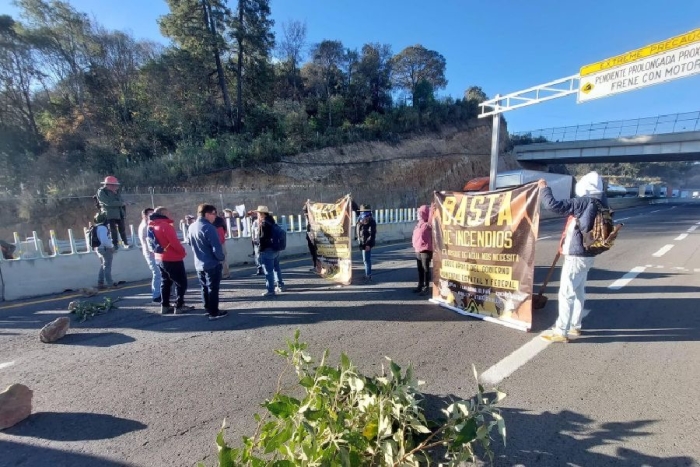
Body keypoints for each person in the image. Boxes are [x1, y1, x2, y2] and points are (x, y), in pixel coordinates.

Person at [538, 171, 607, 343]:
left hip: (577, 255)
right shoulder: (601, 203)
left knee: (566, 293)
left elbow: (553, 205)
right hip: (589, 253)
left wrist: (544, 189)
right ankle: (575, 325)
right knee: (578, 291)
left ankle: (561, 331)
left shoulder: (584, 202)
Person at [148, 206, 194, 315]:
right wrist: (182, 252)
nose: (170, 215)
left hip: (159, 257)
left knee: (165, 282)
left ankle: (165, 305)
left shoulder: (153, 225)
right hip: (171, 257)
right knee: (181, 282)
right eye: (168, 213)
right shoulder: (165, 226)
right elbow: (174, 242)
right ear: (163, 213)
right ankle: (179, 305)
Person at [188, 204, 228, 320]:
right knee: (213, 288)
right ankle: (214, 312)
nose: (215, 216)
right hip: (211, 263)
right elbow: (216, 248)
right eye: (214, 214)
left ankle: (207, 308)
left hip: (199, 262)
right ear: (207, 214)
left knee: (204, 287)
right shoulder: (209, 228)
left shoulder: (192, 226)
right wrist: (221, 258)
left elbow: (190, 243)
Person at [256, 205, 285, 297]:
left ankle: (270, 290)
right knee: (277, 268)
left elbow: (262, 239)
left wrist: (260, 250)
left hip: (267, 250)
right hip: (275, 248)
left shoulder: (263, 224)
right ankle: (280, 285)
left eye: (258, 213)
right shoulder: (272, 222)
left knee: (268, 271)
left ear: (261, 214)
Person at [96, 176, 130, 249]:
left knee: (122, 230)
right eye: (113, 185)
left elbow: (120, 200)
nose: (115, 186)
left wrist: (123, 203)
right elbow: (108, 203)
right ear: (108, 185)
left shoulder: (117, 192)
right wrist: (121, 203)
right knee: (112, 230)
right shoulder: (102, 192)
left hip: (119, 213)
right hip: (109, 214)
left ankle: (125, 243)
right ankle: (115, 245)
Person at [138, 207, 162, 303]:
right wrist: (153, 253)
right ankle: (156, 295)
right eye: (150, 214)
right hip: (150, 253)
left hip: (152, 252)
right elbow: (148, 241)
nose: (152, 216)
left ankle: (160, 292)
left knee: (159, 273)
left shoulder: (148, 224)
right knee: (157, 273)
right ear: (144, 216)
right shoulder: (145, 226)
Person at [92, 212, 118, 290]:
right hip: (105, 249)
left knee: (103, 265)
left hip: (98, 248)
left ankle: (100, 283)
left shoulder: (95, 228)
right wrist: (111, 247)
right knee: (107, 266)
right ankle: (110, 284)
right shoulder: (102, 228)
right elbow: (104, 240)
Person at [411, 204, 433, 296]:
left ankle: (426, 287)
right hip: (418, 249)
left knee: (426, 269)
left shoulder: (428, 224)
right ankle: (420, 285)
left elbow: (431, 216)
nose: (418, 215)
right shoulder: (418, 224)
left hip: (425, 249)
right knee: (420, 269)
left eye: (420, 213)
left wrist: (432, 208)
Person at [355, 204, 377, 282]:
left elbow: (372, 234)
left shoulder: (371, 221)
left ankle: (368, 275)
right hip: (361, 241)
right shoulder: (360, 219)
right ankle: (367, 274)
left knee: (366, 260)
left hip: (366, 243)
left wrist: (368, 244)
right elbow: (359, 230)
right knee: (365, 259)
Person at [212, 214, 230, 279]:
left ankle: (224, 274)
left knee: (221, 259)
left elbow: (225, 230)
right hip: (220, 242)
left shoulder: (212, 221)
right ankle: (225, 274)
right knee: (223, 259)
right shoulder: (220, 220)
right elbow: (225, 230)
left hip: (218, 242)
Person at [303, 204, 318, 272]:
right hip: (310, 239)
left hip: (314, 240)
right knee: (313, 253)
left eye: (306, 212)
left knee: (315, 253)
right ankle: (315, 266)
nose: (305, 215)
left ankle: (317, 266)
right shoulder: (309, 221)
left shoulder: (314, 220)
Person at [249, 211, 263, 276]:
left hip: (264, 242)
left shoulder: (265, 222)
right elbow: (253, 232)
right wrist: (253, 239)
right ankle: (259, 268)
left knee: (263, 255)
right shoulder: (255, 222)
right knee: (257, 256)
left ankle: (264, 267)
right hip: (257, 241)